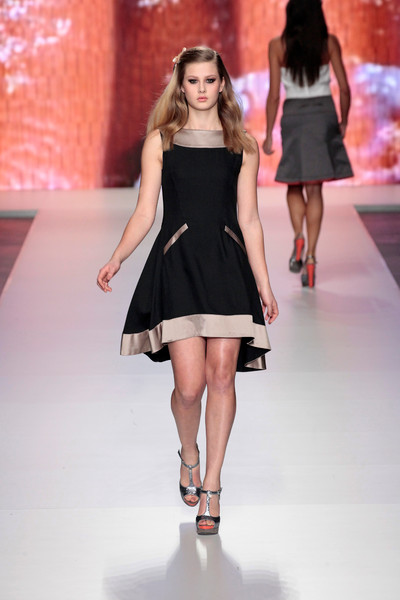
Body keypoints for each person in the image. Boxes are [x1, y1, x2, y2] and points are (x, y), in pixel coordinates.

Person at [97, 46, 278, 535]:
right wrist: (117, 258)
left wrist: (264, 284)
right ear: (181, 85)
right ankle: (189, 452)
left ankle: (213, 487)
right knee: (190, 386)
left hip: (226, 269)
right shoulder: (162, 142)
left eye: (209, 80)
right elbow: (145, 212)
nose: (201, 89)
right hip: (178, 267)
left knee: (222, 377)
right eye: (193, 81)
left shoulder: (242, 145)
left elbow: (250, 220)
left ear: (222, 84)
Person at [262, 0, 353, 287]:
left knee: (293, 182)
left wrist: (268, 133)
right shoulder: (329, 43)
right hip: (323, 114)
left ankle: (298, 238)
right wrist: (344, 121)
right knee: (315, 188)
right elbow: (344, 88)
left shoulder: (277, 46)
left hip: (295, 117)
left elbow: (274, 95)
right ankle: (311, 257)